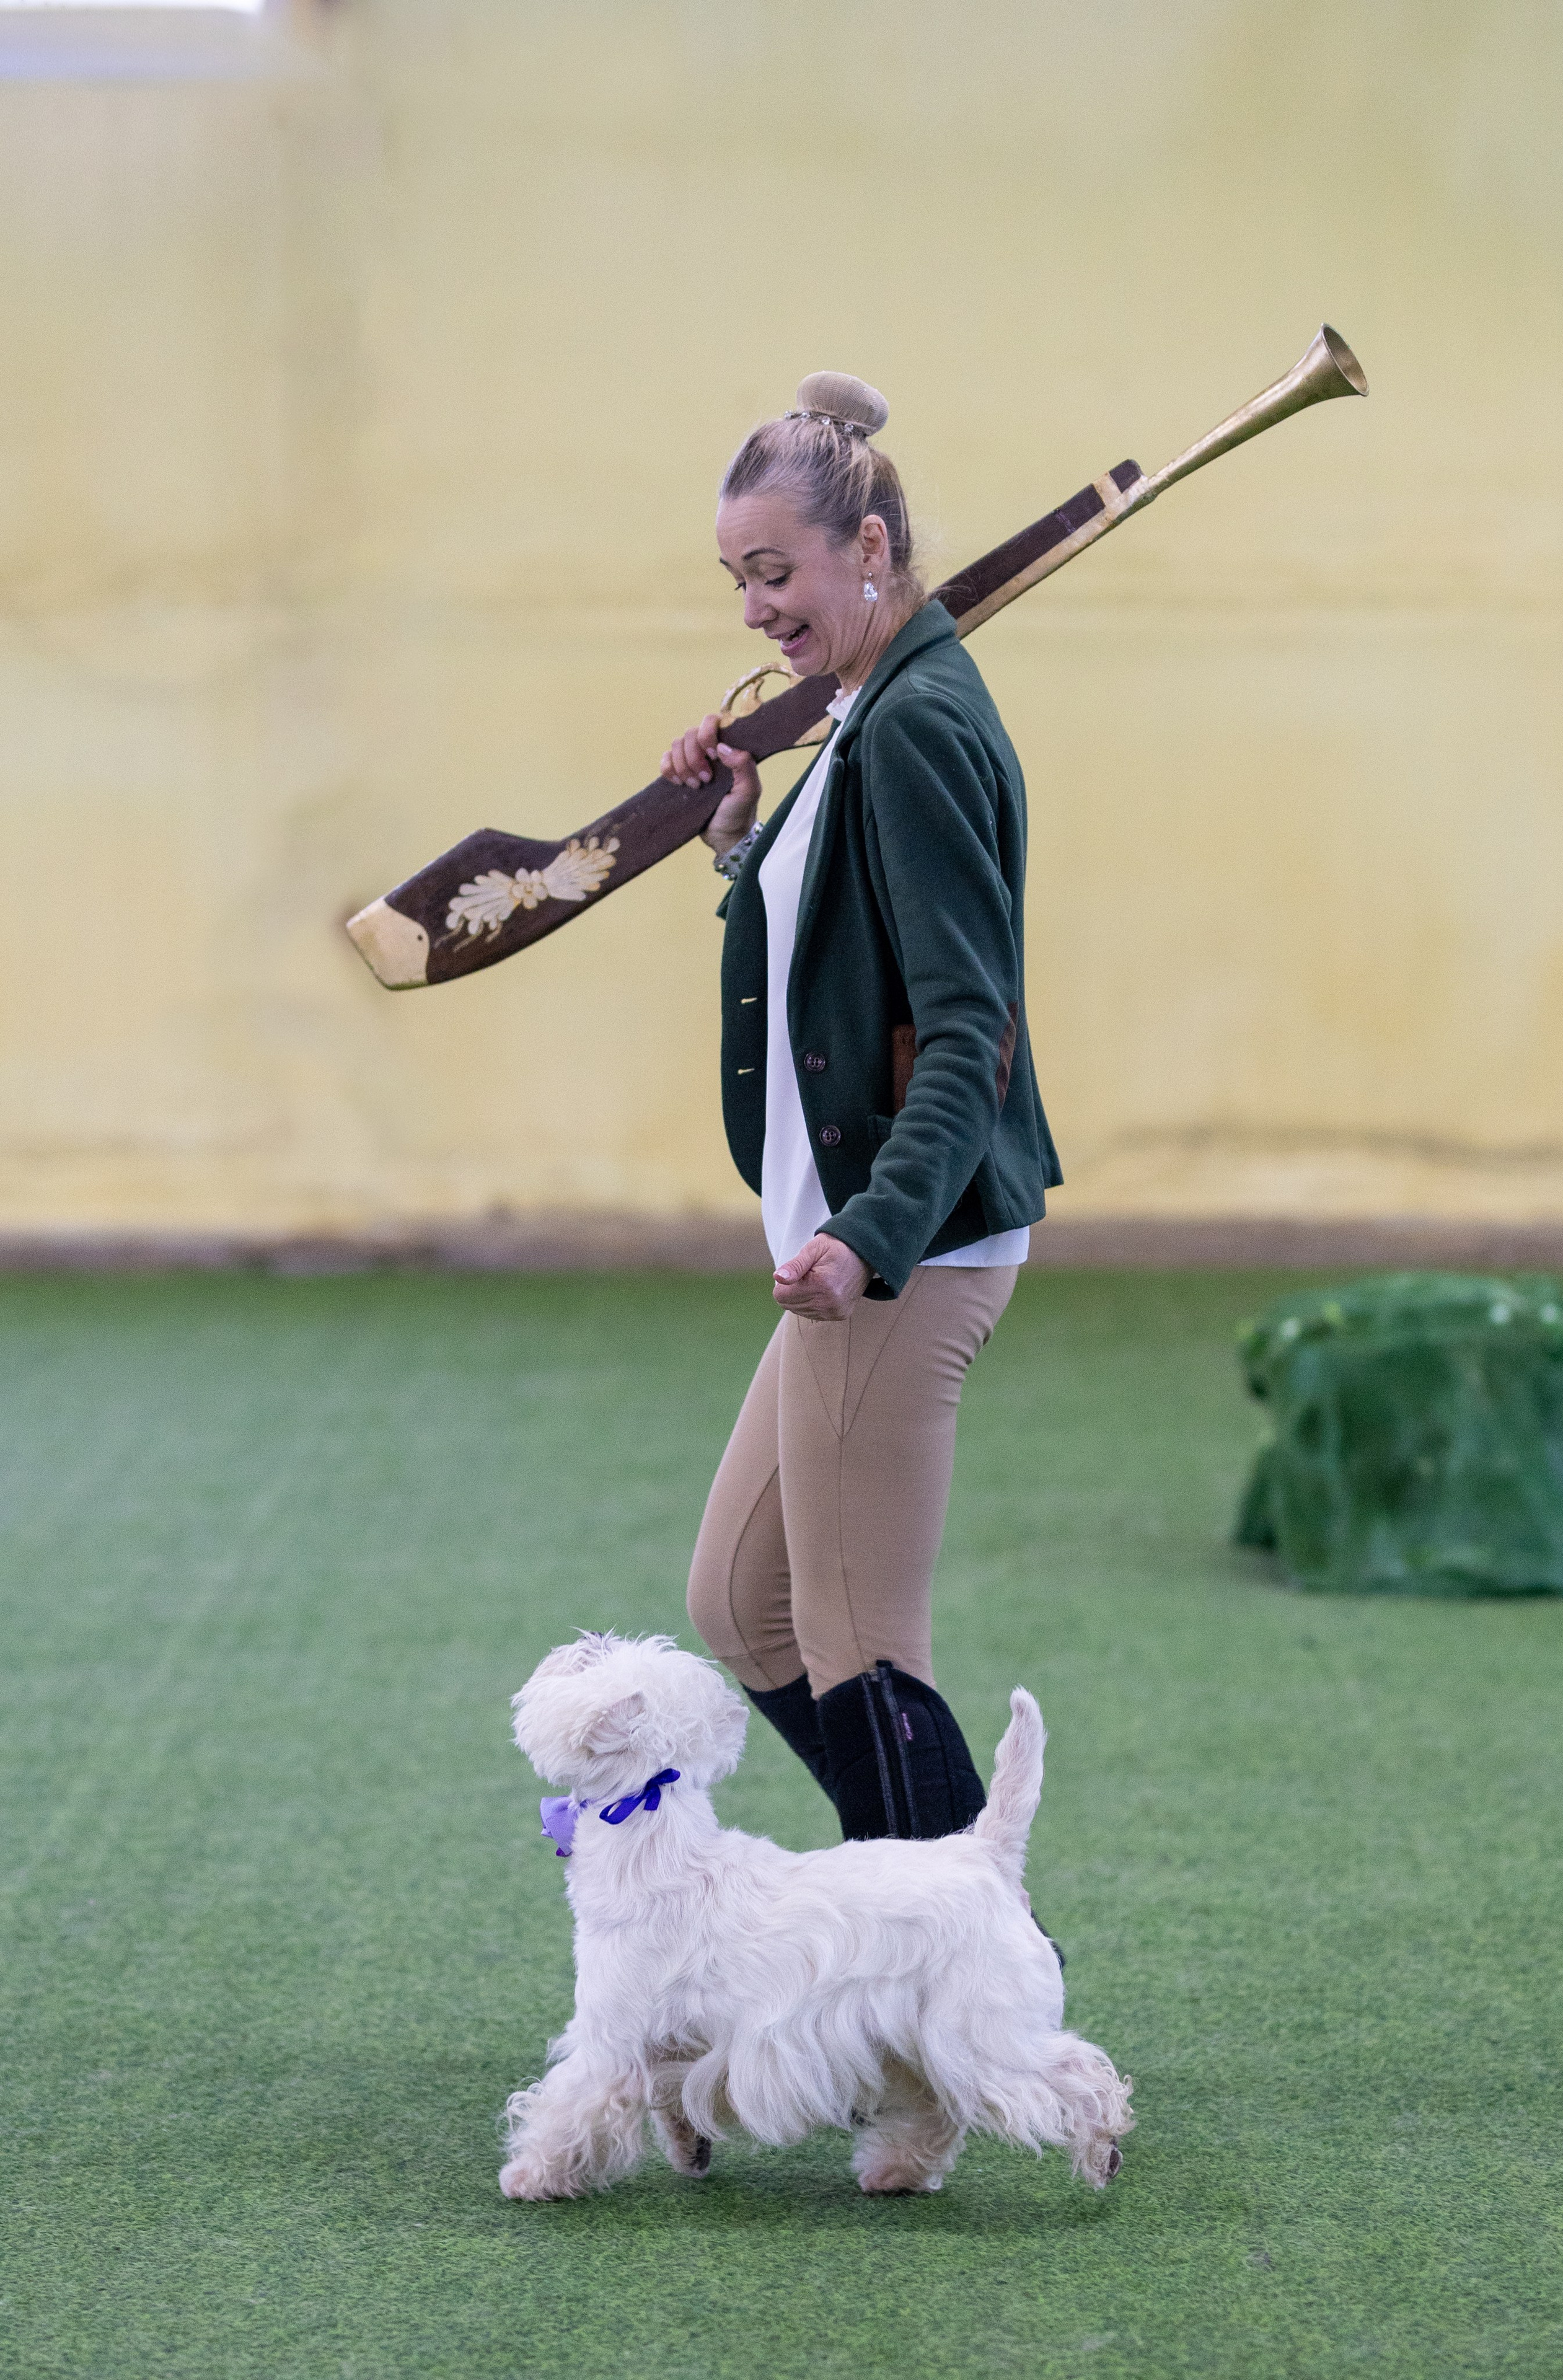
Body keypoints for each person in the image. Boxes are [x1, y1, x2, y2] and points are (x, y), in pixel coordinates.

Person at [663, 371, 1060, 1845]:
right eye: (737, 581)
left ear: (871, 547)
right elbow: (841, 934)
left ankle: (968, 2003)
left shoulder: (909, 725)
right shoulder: (857, 709)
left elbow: (972, 1028)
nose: (754, 610)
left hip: (900, 1246)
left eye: (775, 573)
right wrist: (730, 841)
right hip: (859, 1234)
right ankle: (943, 1939)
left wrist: (871, 1237)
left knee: (857, 1646)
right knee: (742, 1606)